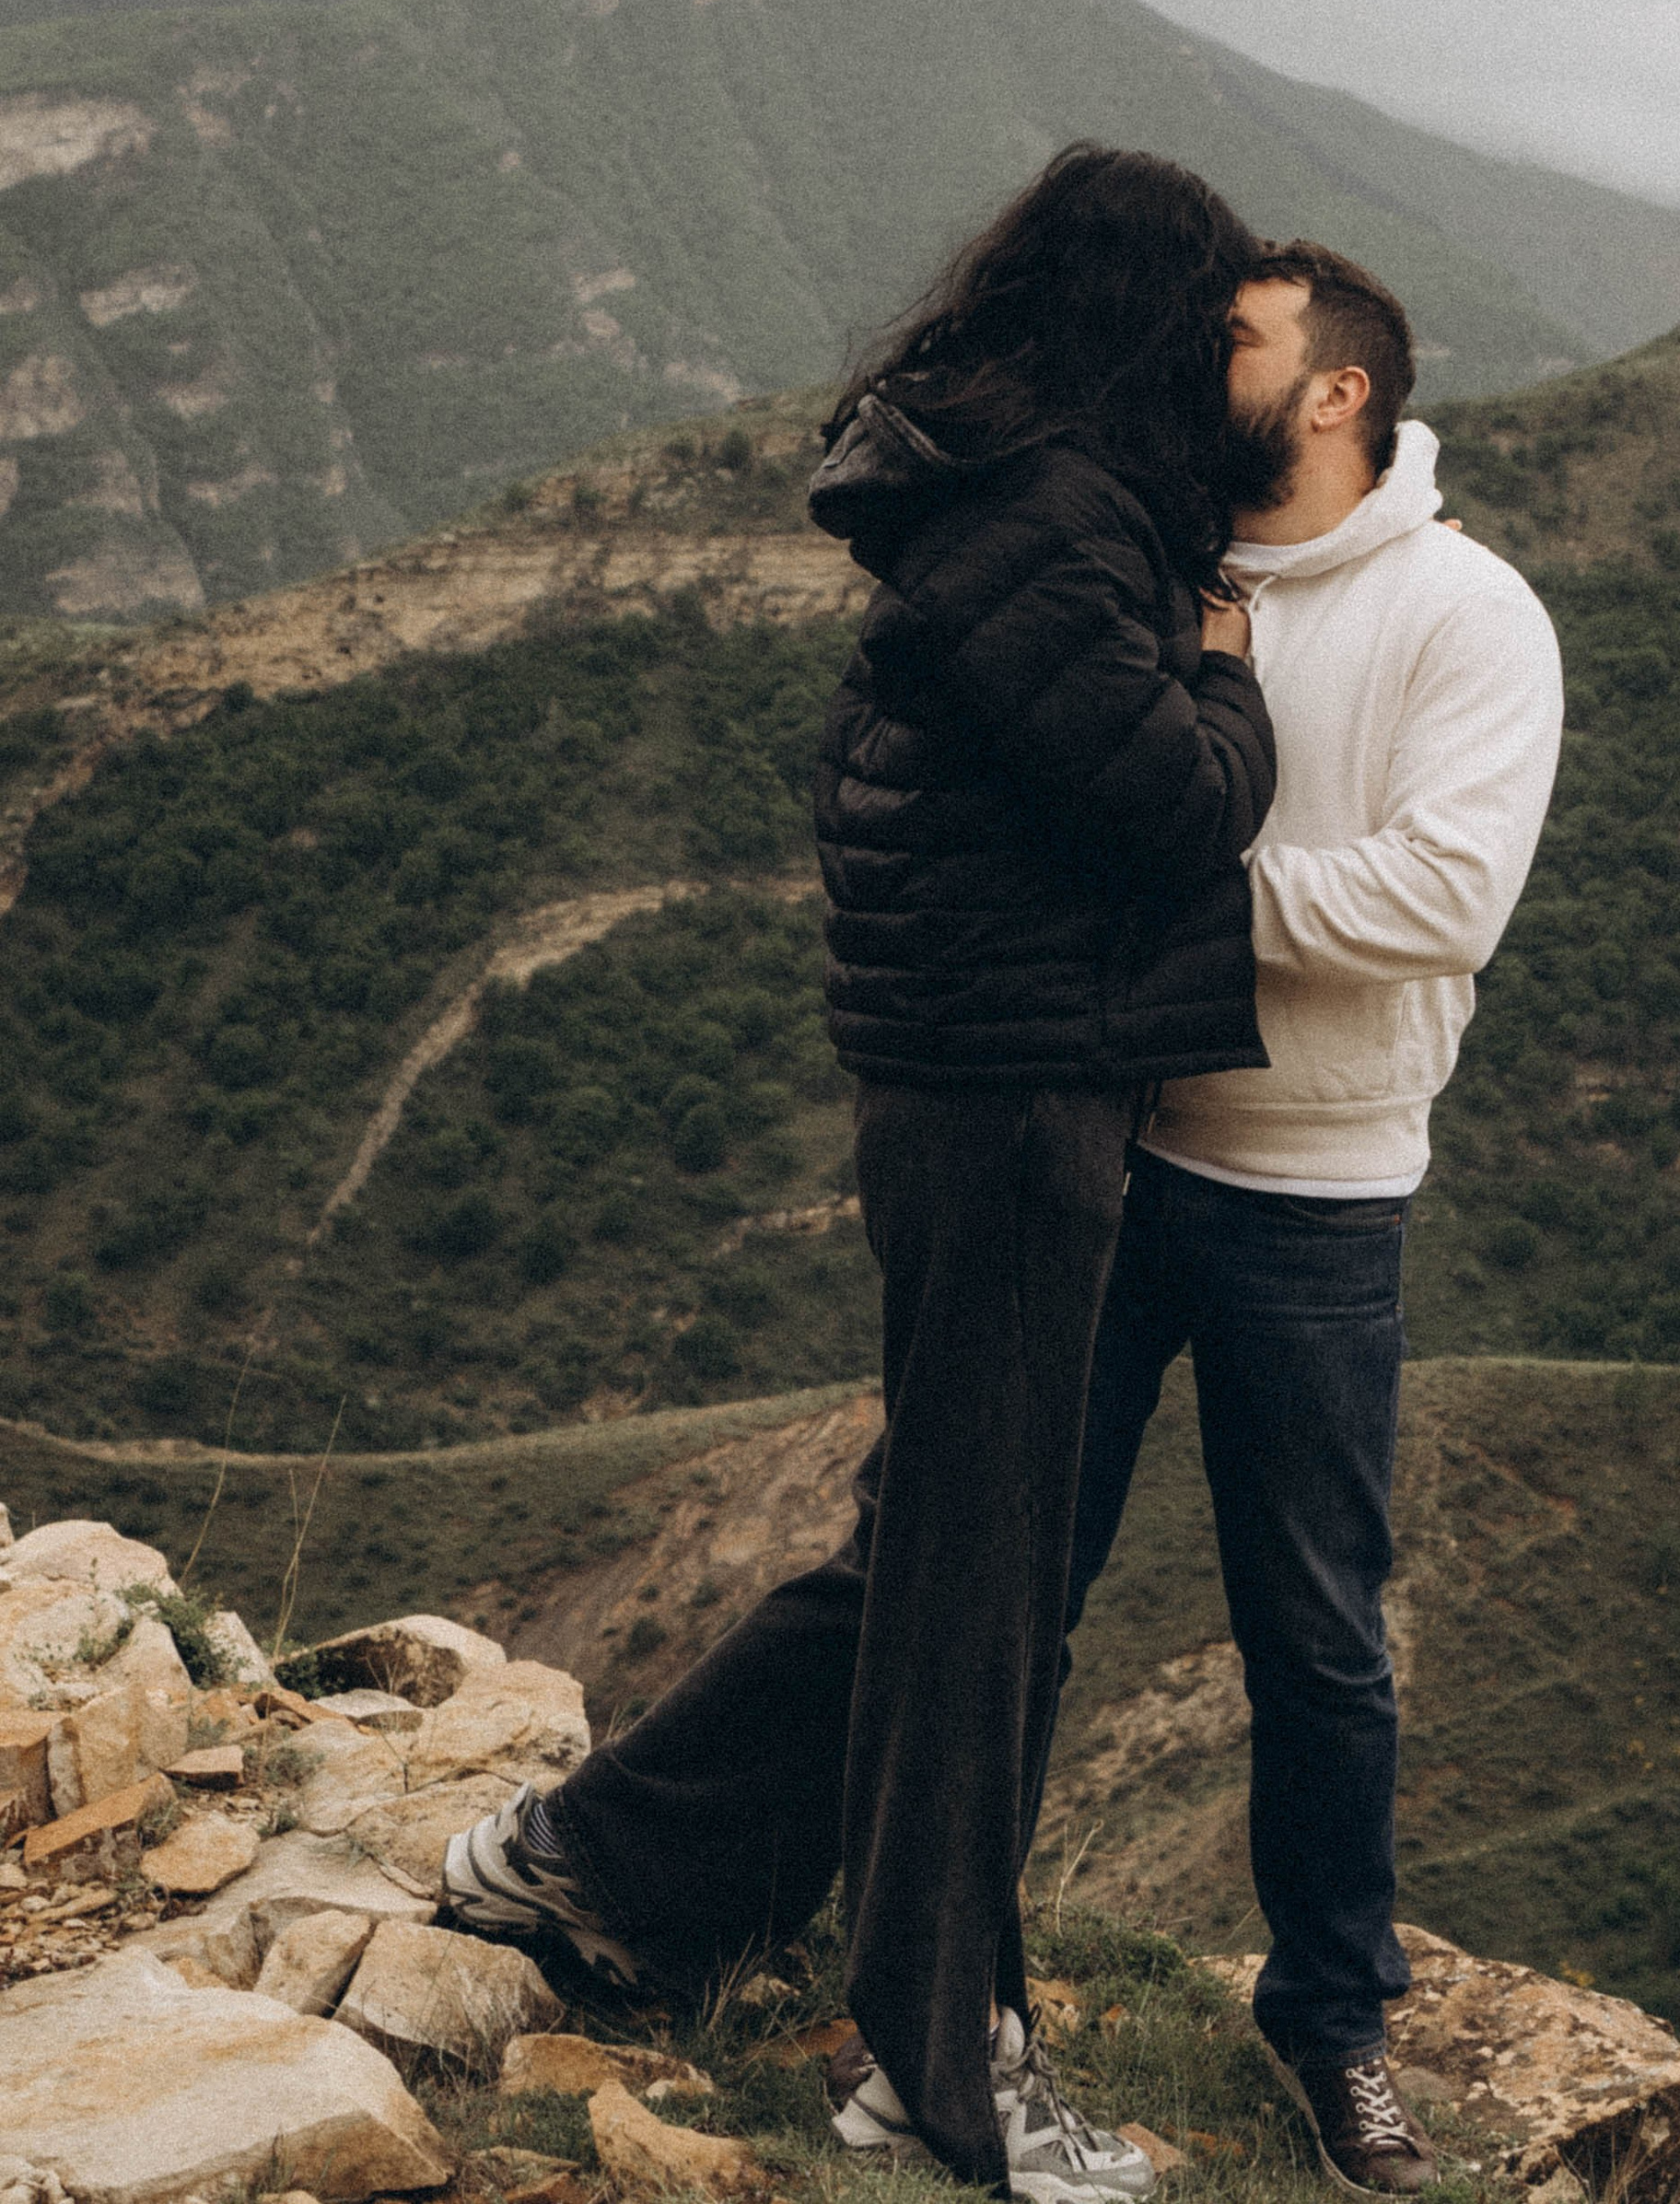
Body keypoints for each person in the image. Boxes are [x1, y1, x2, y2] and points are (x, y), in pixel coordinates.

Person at [441, 146, 1278, 2204]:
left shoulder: (991, 503)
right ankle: (936, 2074)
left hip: (971, 1085)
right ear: (1150, 321)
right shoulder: (1060, 526)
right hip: (1007, 1106)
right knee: (975, 1600)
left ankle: (587, 1856)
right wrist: (1233, 660)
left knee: (931, 1546)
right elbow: (1179, 811)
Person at [1046, 242, 1564, 2196]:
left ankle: (1330, 2026)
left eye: (1237, 342)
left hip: (1317, 1195)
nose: (1202, 364)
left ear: (1336, 391)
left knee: (1317, 1644)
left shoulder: (1467, 613)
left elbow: (1443, 897)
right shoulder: (1160, 571)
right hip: (1104, 1153)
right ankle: (950, 1967)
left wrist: (1177, 907)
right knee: (1017, 1580)